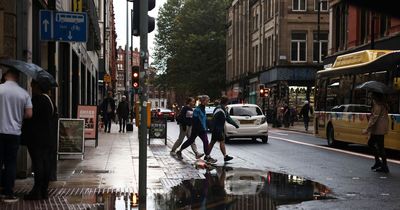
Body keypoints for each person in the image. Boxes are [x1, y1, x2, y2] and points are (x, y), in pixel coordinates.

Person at [0, 69, 33, 202]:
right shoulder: (23, 93)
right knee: (10, 163)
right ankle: (8, 193)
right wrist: (19, 117)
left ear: (5, 76)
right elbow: (29, 114)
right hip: (14, 133)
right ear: (17, 78)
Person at [23, 80, 55, 200]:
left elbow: (29, 116)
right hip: (48, 137)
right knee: (46, 163)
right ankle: (44, 190)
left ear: (38, 87)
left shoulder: (37, 100)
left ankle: (37, 190)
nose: (31, 87)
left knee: (38, 164)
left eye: (33, 85)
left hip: (36, 138)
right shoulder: (50, 100)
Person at [175, 95, 217, 163]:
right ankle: (179, 151)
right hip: (197, 129)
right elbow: (195, 120)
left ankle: (207, 156)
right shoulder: (197, 109)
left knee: (203, 141)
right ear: (203, 101)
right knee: (191, 141)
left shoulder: (203, 108)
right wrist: (199, 128)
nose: (208, 102)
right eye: (207, 100)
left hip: (202, 129)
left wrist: (209, 126)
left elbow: (204, 119)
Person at [362, 92, 390, 173]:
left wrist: (367, 129)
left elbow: (375, 117)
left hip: (379, 128)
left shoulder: (377, 104)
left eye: (372, 95)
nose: (371, 97)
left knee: (380, 147)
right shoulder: (383, 104)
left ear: (375, 96)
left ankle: (384, 166)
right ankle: (378, 162)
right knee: (372, 143)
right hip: (379, 128)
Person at [208, 95, 239, 162]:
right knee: (219, 142)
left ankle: (222, 156)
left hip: (218, 128)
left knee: (214, 142)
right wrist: (214, 127)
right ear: (226, 102)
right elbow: (215, 119)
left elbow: (228, 118)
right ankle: (223, 156)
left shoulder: (222, 108)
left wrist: (235, 124)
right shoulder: (220, 109)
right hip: (217, 129)